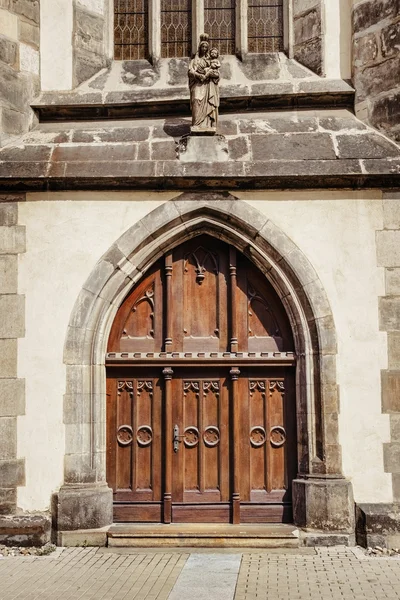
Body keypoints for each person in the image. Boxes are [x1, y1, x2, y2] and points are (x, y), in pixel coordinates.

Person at [188, 34, 220, 131]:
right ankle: (197, 124)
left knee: (208, 104)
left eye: (206, 47)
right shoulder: (194, 61)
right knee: (196, 100)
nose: (204, 48)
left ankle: (207, 125)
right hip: (197, 84)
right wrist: (198, 75)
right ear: (200, 47)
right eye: (203, 46)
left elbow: (216, 73)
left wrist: (210, 74)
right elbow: (190, 71)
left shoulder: (210, 61)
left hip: (208, 85)